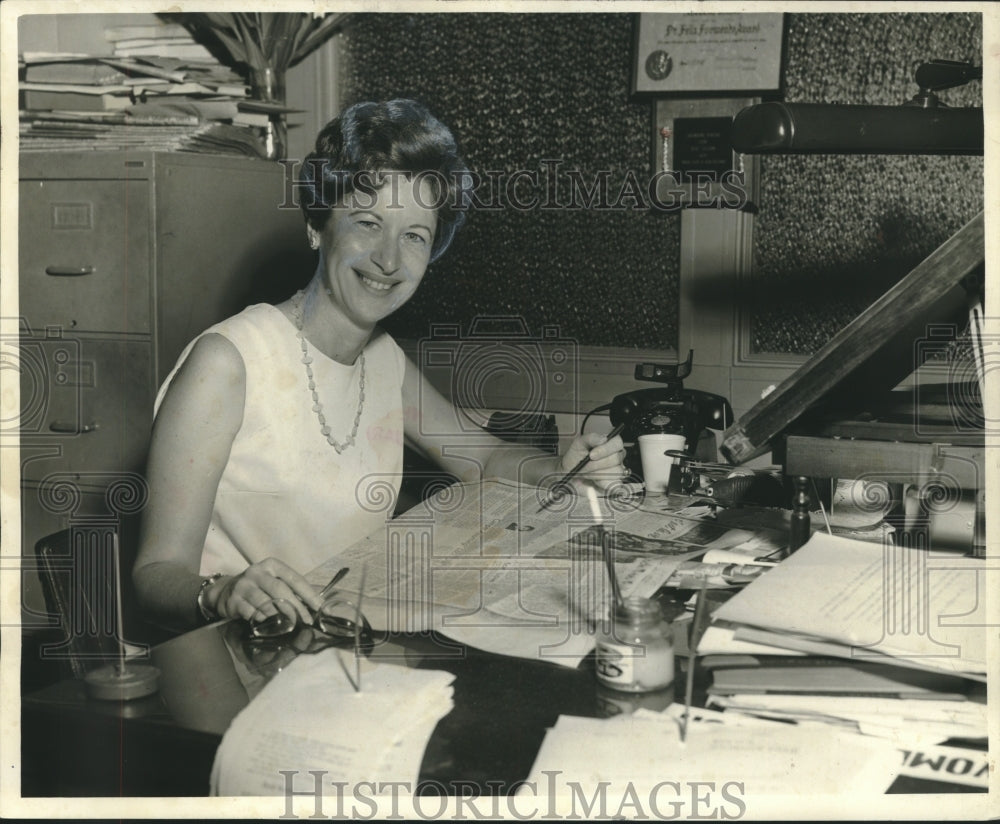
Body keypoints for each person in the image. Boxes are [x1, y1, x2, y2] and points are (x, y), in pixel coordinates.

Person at [133, 99, 626, 631]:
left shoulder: (382, 357)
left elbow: (482, 458)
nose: (389, 260)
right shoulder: (226, 363)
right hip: (235, 650)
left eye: (414, 236)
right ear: (317, 227)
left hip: (339, 643)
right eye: (368, 223)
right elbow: (156, 573)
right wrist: (221, 592)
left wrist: (563, 472)